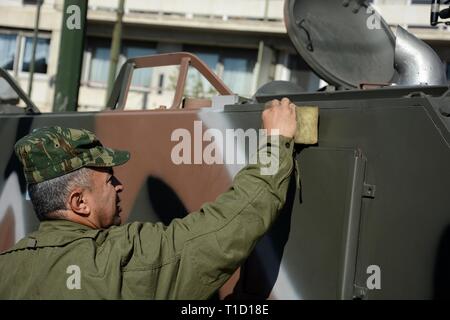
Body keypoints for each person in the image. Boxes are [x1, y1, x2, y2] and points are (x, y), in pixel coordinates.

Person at [0, 98, 297, 299]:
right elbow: (229, 226)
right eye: (108, 180)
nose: (119, 186)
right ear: (79, 202)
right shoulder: (118, 259)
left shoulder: (9, 267)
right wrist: (276, 143)